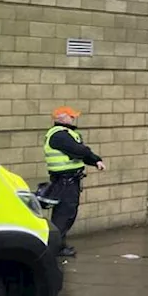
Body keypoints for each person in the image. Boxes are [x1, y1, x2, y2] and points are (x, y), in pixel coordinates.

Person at [42, 106, 105, 257]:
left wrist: (95, 161)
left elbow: (79, 152)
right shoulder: (59, 135)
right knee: (64, 215)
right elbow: (79, 150)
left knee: (66, 214)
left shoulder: (66, 134)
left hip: (68, 180)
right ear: (61, 118)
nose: (73, 118)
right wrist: (94, 158)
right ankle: (54, 248)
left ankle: (58, 246)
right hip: (65, 181)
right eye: (71, 116)